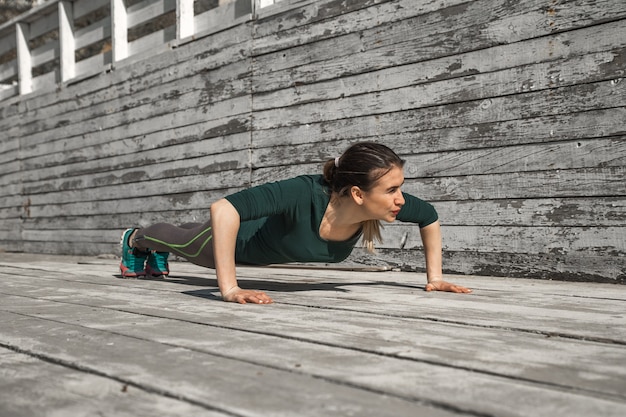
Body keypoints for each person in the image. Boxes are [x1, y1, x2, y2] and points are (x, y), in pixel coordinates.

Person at [119, 142, 472, 304]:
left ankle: (154, 249)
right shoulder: (304, 193)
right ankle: (135, 240)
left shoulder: (387, 205)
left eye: (401, 189)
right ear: (358, 193)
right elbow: (224, 209)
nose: (400, 199)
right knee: (178, 240)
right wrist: (229, 289)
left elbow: (429, 217)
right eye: (392, 189)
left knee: (183, 234)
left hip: (252, 249)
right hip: (233, 243)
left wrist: (435, 278)